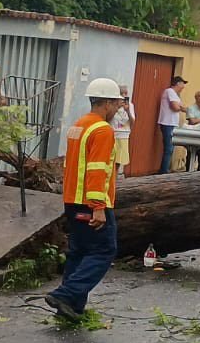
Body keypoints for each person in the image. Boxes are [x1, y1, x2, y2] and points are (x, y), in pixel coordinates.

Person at [43, 77, 122, 320]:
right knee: (103, 251)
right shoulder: (102, 130)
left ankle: (71, 307)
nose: (118, 108)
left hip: (72, 200)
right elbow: (97, 170)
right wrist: (98, 207)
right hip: (92, 203)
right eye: (117, 104)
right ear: (106, 103)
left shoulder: (79, 126)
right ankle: (67, 294)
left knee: (79, 252)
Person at [156, 75, 186, 174]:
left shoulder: (175, 95)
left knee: (170, 148)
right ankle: (163, 171)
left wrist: (181, 107)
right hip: (167, 123)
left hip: (171, 124)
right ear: (178, 83)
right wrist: (180, 107)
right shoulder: (170, 92)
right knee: (168, 148)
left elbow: (183, 107)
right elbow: (175, 107)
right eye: (183, 84)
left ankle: (164, 169)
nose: (183, 87)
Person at [110, 84, 135, 178]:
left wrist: (127, 110)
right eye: (122, 93)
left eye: (126, 93)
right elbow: (108, 118)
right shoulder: (113, 104)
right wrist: (117, 107)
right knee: (110, 161)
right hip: (113, 134)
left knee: (118, 162)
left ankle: (115, 181)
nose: (124, 96)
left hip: (123, 135)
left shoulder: (130, 105)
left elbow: (132, 122)